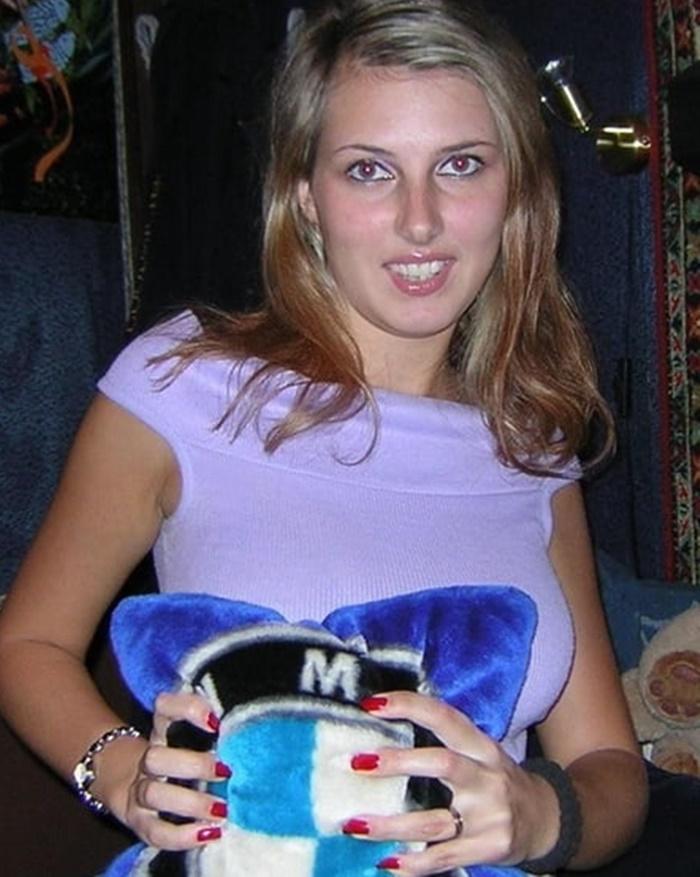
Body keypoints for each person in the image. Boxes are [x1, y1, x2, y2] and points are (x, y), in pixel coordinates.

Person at [0, 1, 647, 874]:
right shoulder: (183, 387)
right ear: (305, 196)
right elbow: (27, 643)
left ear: (517, 190)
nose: (420, 220)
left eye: (460, 164)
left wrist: (542, 814)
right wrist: (116, 770)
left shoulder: (531, 446)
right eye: (369, 170)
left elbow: (610, 766)